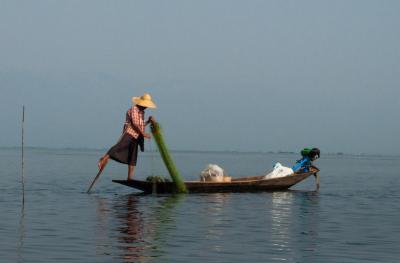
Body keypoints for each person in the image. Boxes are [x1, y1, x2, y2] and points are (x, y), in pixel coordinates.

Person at [98, 93, 157, 180]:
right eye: (145, 105)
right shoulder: (134, 109)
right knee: (119, 146)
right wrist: (144, 134)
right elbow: (135, 124)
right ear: (141, 103)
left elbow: (141, 125)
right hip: (129, 133)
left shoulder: (142, 112)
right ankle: (102, 160)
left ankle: (130, 177)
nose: (146, 107)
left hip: (136, 136)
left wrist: (148, 121)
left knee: (133, 156)